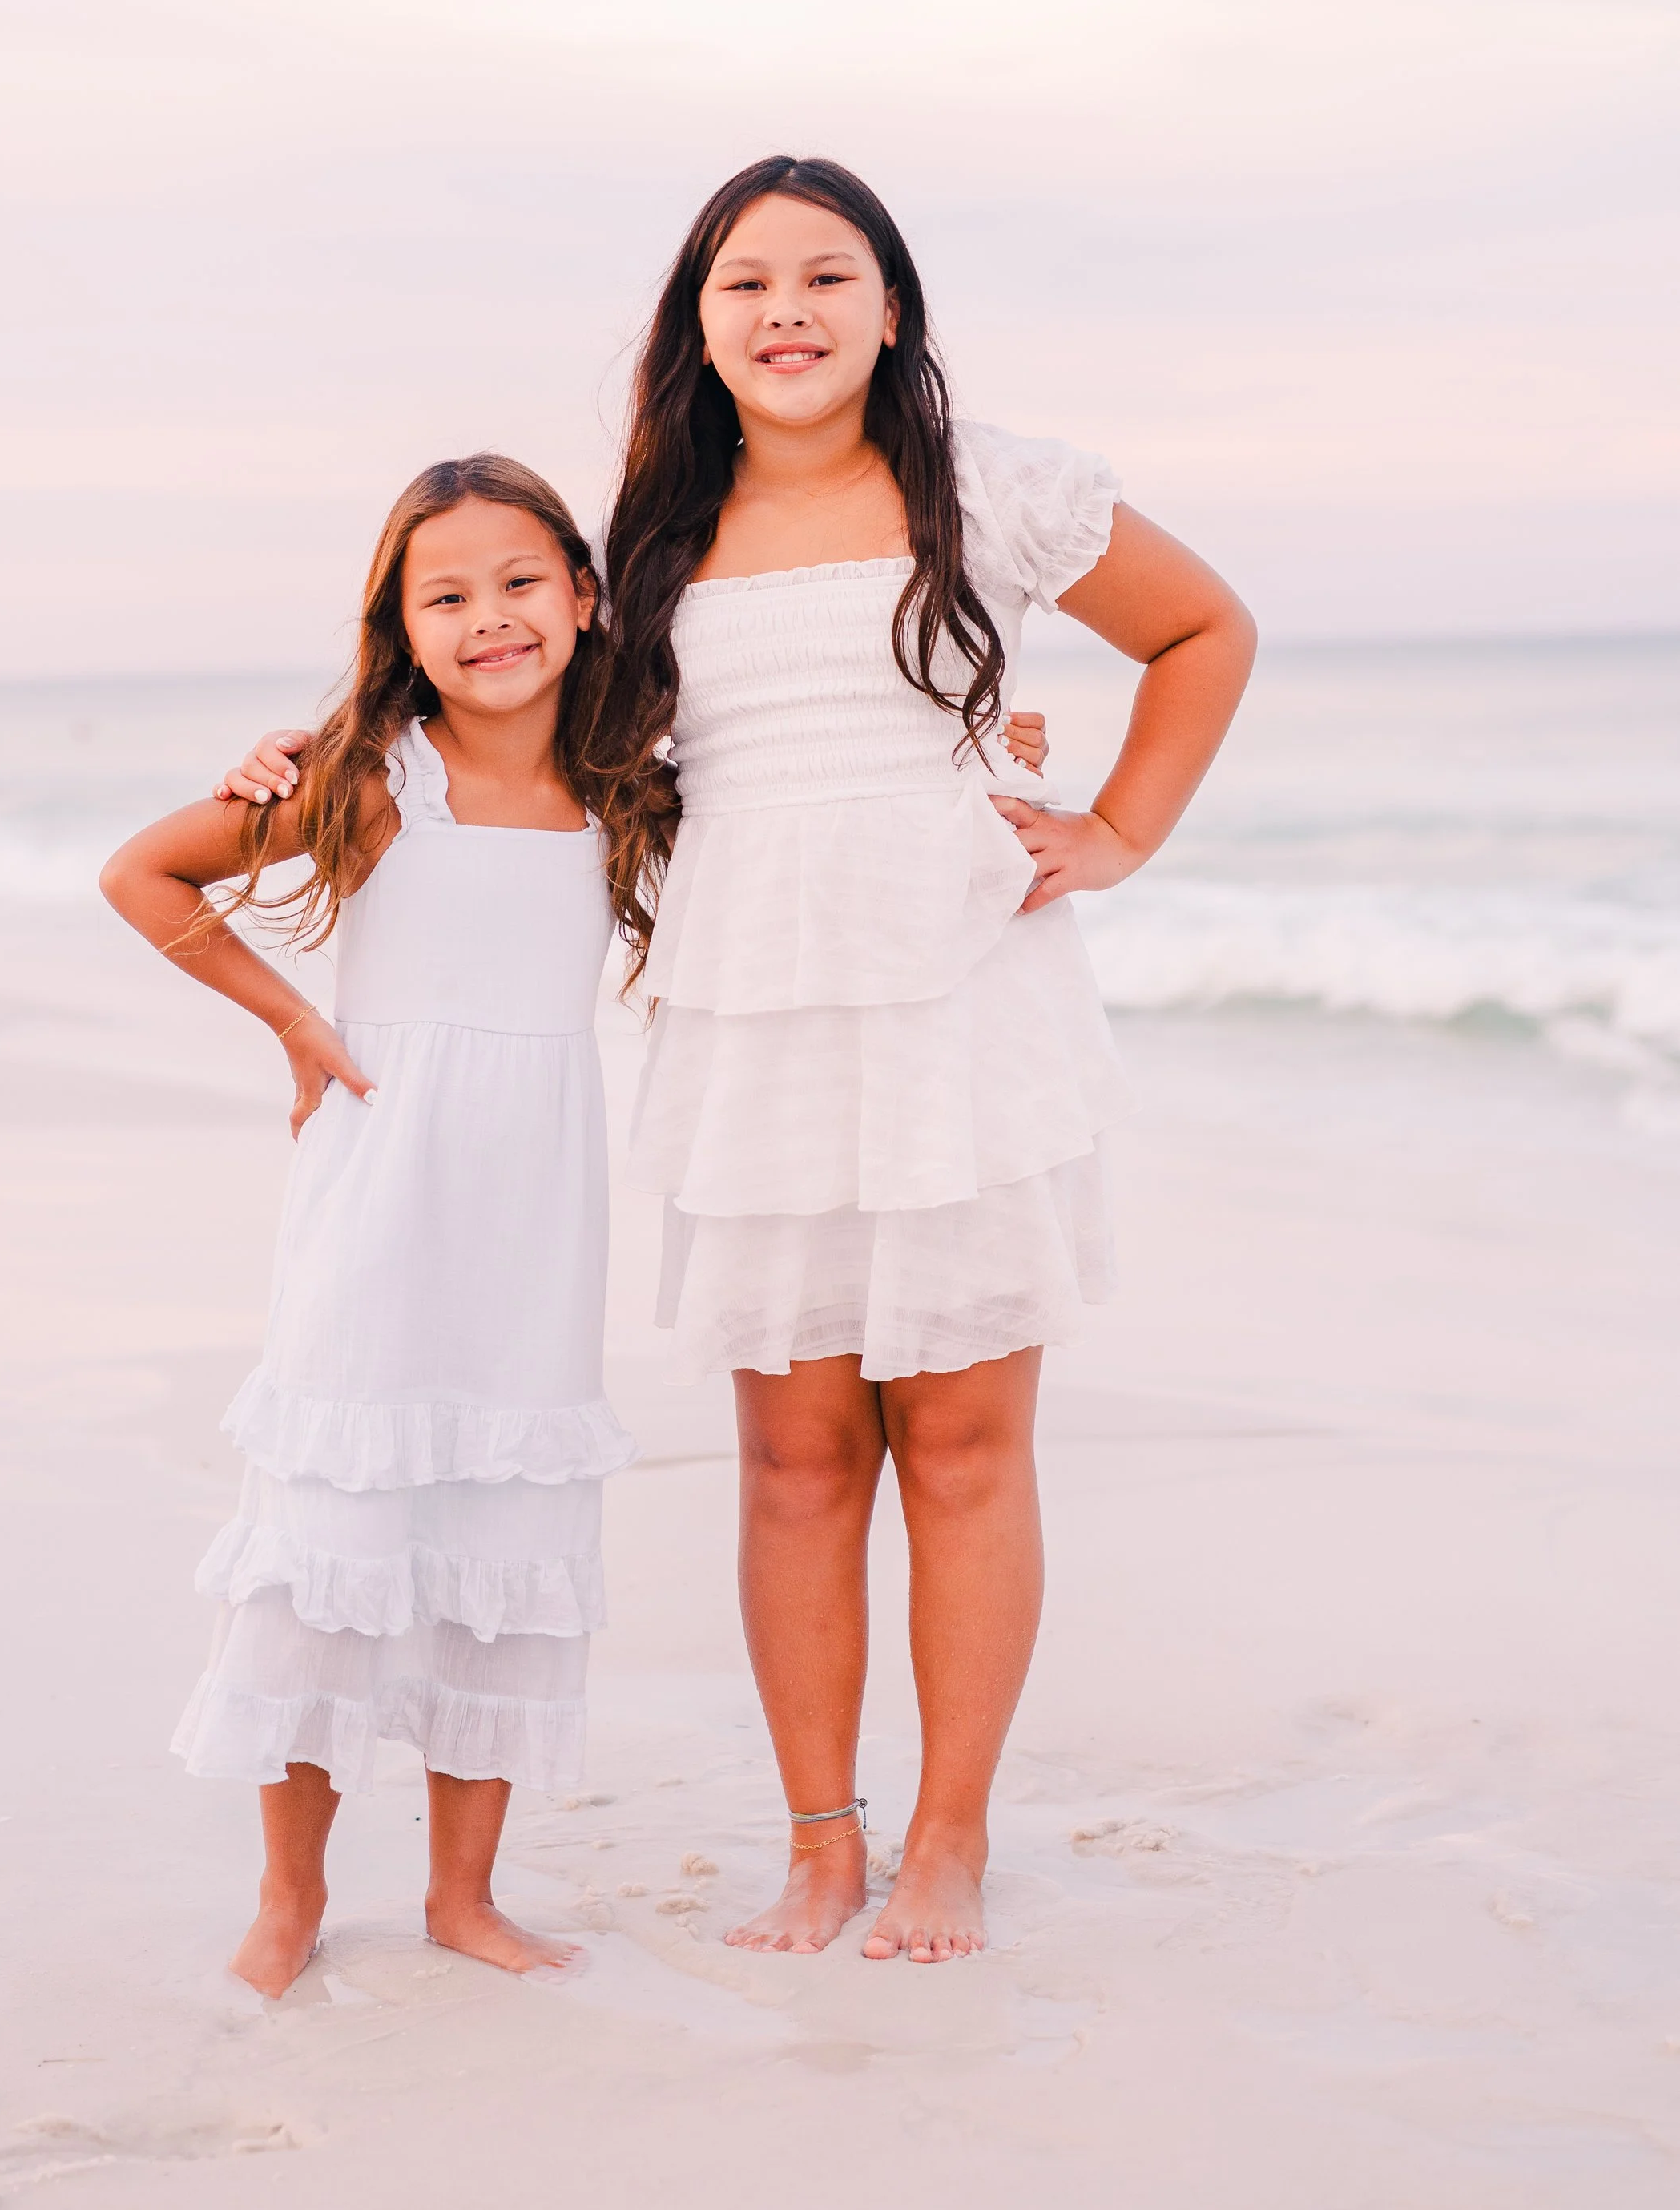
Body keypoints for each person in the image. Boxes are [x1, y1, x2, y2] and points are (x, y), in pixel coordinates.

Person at [215, 155, 1255, 1967]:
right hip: (752, 1020)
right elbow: (508, 697)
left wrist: (1113, 829)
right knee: (793, 1461)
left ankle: (946, 1844)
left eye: (825, 276)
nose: (786, 312)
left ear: (889, 307)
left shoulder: (993, 490)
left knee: (961, 1445)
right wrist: (301, 763)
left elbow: (1202, 629)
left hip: (960, 1012)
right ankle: (821, 1848)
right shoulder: (650, 534)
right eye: (744, 283)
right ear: (695, 325)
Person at [100, 456, 637, 1994]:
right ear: (402, 628)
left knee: (502, 1545)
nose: (490, 619)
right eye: (445, 596)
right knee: (328, 1551)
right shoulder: (372, 778)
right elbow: (144, 872)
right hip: (379, 1196)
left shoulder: (628, 781)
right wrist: (290, 1019)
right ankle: (290, 1896)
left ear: (583, 595)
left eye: (521, 582)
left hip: (537, 1216)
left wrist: (1004, 745)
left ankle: (464, 1896)